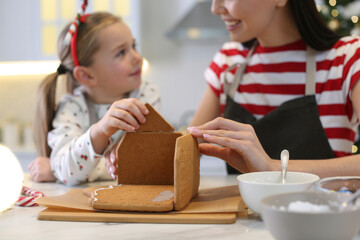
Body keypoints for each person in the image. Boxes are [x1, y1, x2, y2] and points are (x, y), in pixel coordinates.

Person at [188, 0, 360, 178]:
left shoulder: (347, 58)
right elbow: (185, 149)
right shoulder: (229, 62)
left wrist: (272, 168)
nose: (215, 9)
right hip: (240, 207)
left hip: (326, 206)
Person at [28, 9, 160, 185]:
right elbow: (66, 171)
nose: (137, 57)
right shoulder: (71, 109)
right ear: (87, 76)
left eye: (133, 46)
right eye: (121, 52)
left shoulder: (146, 96)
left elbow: (142, 162)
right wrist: (101, 130)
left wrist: (57, 170)